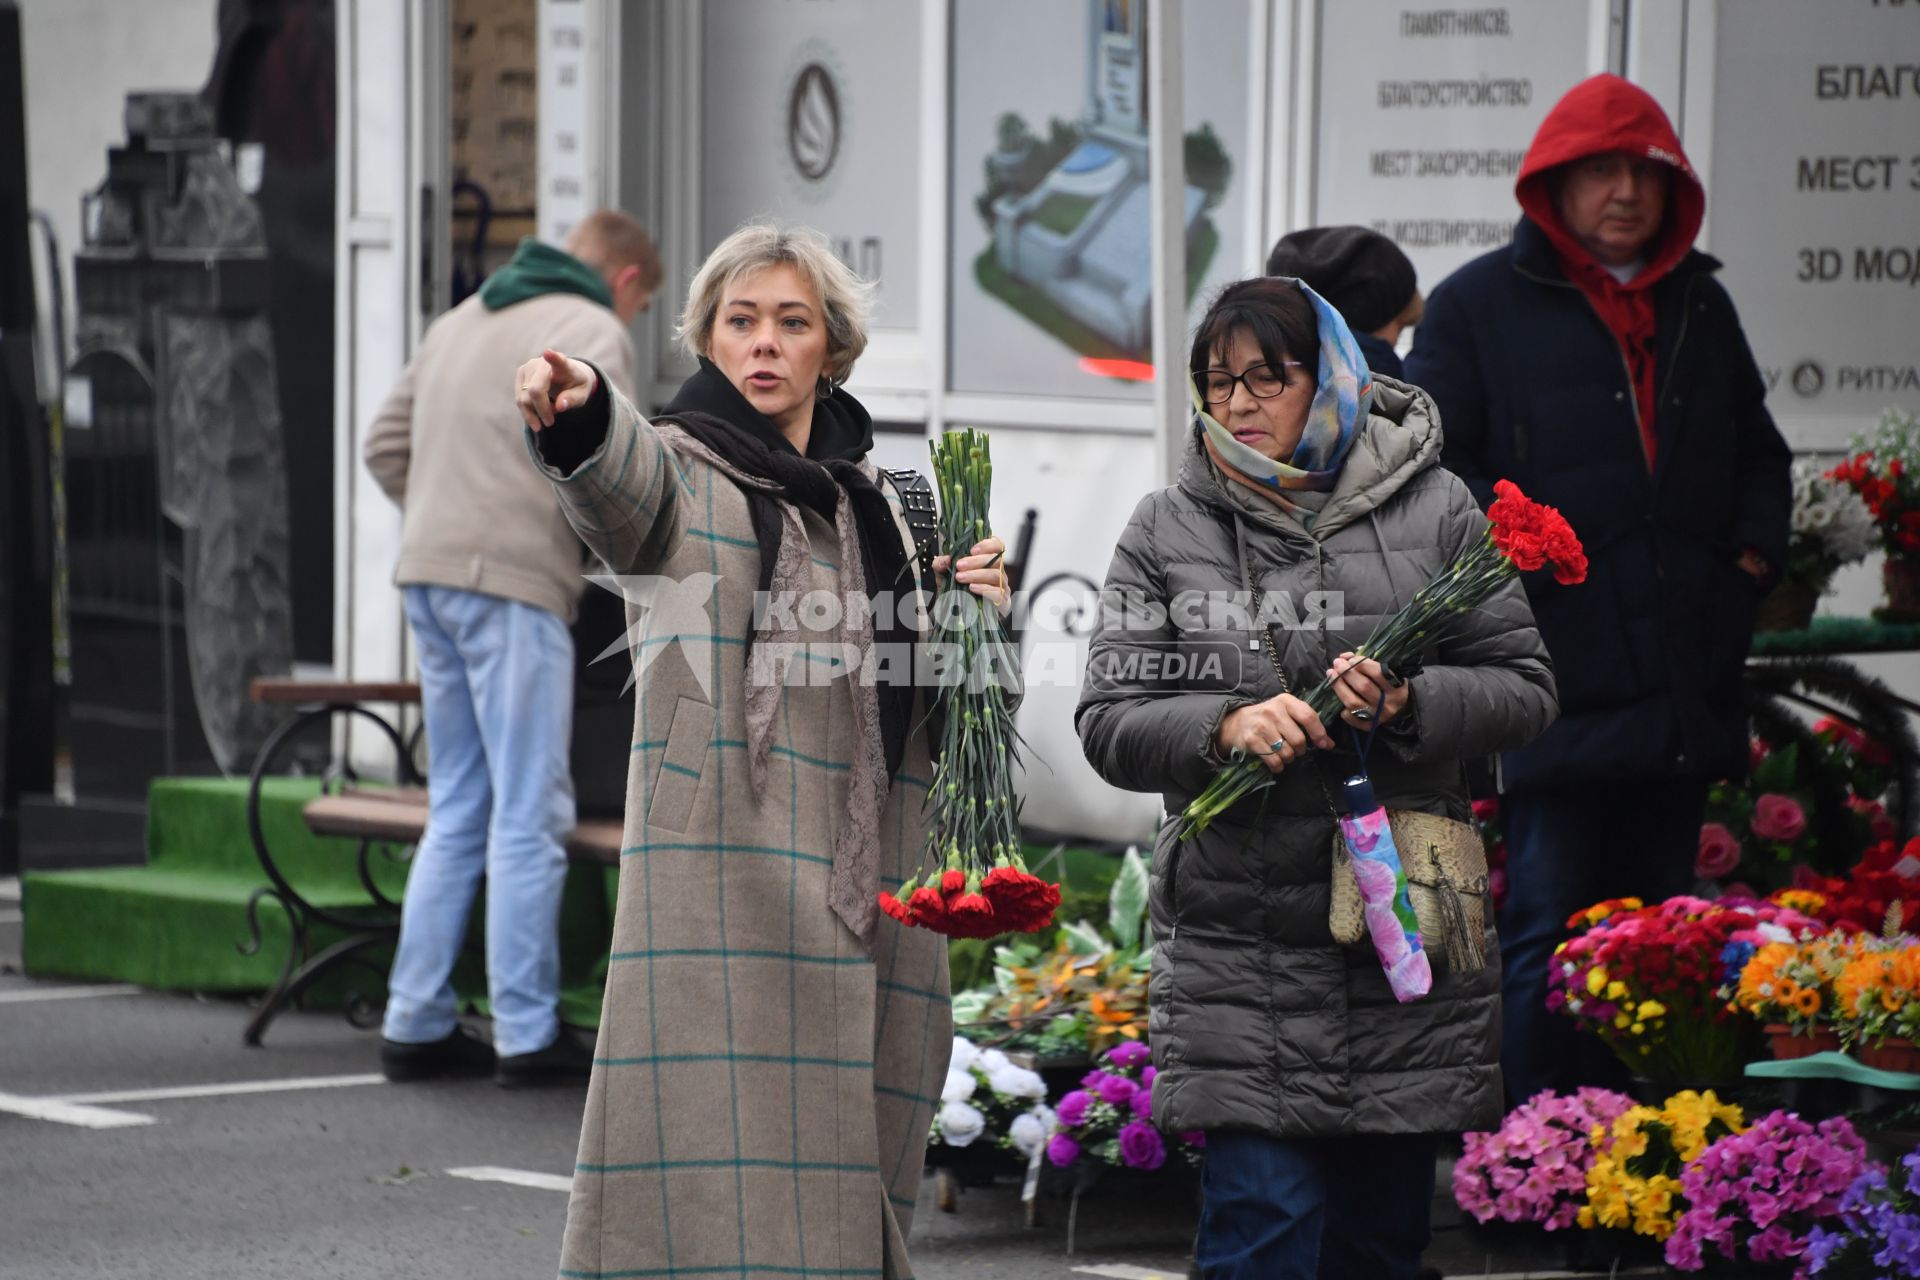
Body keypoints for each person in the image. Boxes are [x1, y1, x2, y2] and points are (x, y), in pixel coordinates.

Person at [515, 222, 1014, 1278]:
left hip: (875, 881)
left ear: (832, 347)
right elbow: (619, 487)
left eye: (793, 322)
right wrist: (579, 414)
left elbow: (953, 704)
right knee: (714, 1193)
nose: (766, 343)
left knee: (855, 1169)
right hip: (726, 883)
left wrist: (981, 615)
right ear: (705, 340)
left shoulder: (892, 502)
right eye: (741, 321)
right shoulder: (685, 475)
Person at [1077, 275, 1558, 1280]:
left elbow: (1525, 689)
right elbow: (1111, 717)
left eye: (1267, 375)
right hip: (1239, 947)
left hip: (1405, 935)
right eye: (1219, 381)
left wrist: (1411, 703)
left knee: (1380, 1245)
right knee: (1260, 1230)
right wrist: (1224, 724)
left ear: (1330, 375)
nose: (1241, 401)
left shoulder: (1438, 508)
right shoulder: (1167, 526)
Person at [1404, 73, 1792, 1107]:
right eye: (1601, 170)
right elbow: (1434, 468)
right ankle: (1532, 1150)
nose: (1626, 190)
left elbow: (1760, 455)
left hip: (1681, 671)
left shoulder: (1700, 303)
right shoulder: (1477, 304)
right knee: (1547, 919)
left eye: (1645, 170)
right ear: (1554, 185)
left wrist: (1748, 563)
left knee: (1661, 935)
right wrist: (1517, 556)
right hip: (1551, 671)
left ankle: (1654, 1152)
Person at [363, 209, 662, 1087]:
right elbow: (611, 468)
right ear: (629, 283)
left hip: (429, 572)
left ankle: (414, 1019)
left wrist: (443, 512)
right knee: (532, 805)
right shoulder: (593, 329)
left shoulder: (460, 317)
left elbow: (385, 445)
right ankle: (527, 1034)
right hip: (514, 583)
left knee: (458, 799)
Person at [1266, 225, 1421, 378]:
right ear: (1367, 318)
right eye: (1399, 329)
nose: (1395, 342)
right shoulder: (1377, 385)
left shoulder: (1267, 373)